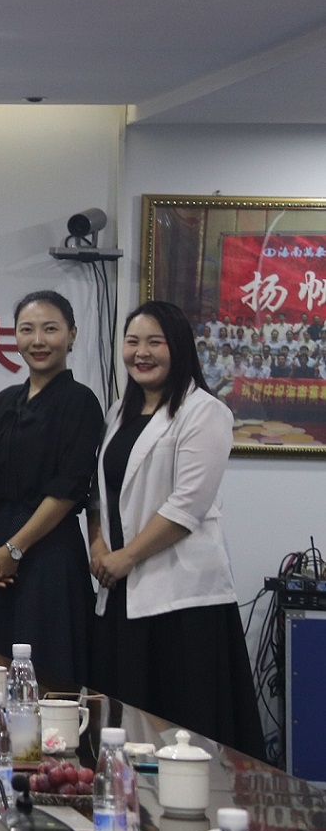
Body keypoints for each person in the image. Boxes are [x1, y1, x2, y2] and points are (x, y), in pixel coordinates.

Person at [88, 300, 264, 757]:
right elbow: (99, 492)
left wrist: (126, 557)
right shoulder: (118, 412)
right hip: (121, 591)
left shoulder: (205, 411)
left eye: (155, 342)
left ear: (179, 347)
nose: (141, 353)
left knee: (183, 735)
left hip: (181, 601)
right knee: (126, 728)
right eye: (132, 342)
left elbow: (188, 505)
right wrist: (97, 544)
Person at [0, 290, 103, 686]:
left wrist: (15, 549)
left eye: (50, 329)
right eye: (27, 330)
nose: (38, 341)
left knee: (48, 677)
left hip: (49, 553)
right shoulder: (6, 401)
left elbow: (69, 489)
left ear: (72, 334)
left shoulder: (80, 402)